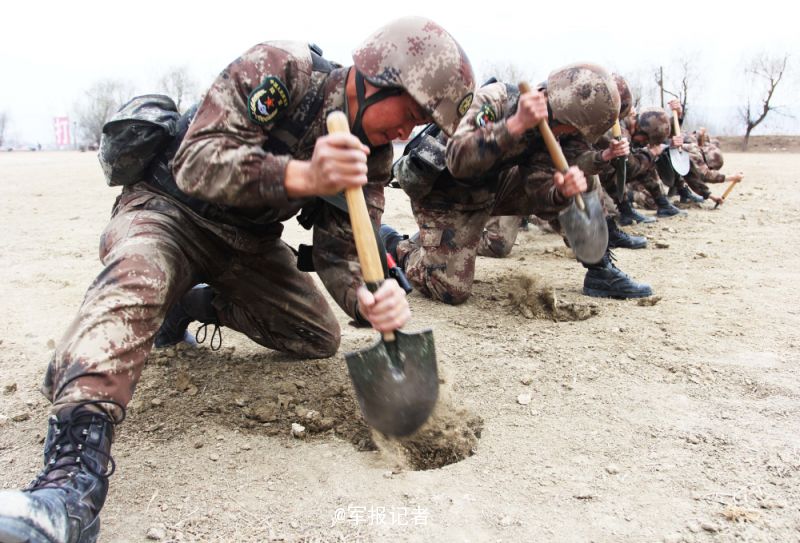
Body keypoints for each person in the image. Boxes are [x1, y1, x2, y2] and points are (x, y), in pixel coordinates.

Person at [0, 16, 475, 543]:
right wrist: (301, 176)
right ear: (374, 75)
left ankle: (189, 305)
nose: (407, 132)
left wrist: (365, 299)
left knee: (316, 335)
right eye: (408, 113)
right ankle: (69, 485)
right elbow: (196, 162)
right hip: (168, 213)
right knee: (140, 276)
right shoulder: (283, 70)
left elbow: (340, 252)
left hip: (245, 244)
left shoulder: (374, 155)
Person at [382, 63, 652, 304]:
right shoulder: (496, 100)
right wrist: (515, 125)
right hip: (446, 194)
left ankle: (600, 269)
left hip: (493, 188)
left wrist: (561, 192)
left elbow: (537, 190)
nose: (569, 136)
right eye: (570, 130)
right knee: (450, 289)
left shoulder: (552, 131)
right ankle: (396, 245)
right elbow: (457, 160)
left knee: (580, 174)